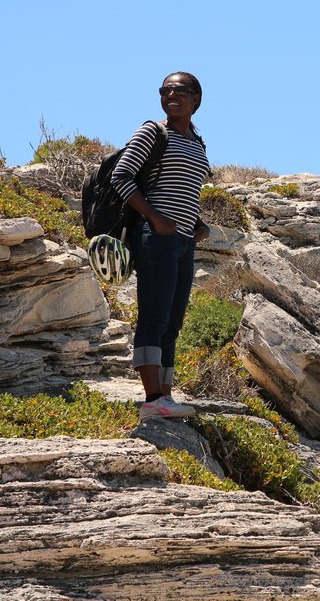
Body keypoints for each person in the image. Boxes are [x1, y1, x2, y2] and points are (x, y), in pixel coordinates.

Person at [111, 71, 212, 419]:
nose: (172, 95)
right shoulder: (153, 132)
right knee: (154, 317)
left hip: (183, 241)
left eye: (180, 91)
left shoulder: (197, 143)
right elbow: (120, 177)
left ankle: (166, 397)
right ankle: (152, 398)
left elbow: (184, 188)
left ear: (196, 99)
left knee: (173, 322)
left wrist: (196, 225)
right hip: (154, 238)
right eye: (166, 90)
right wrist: (155, 218)